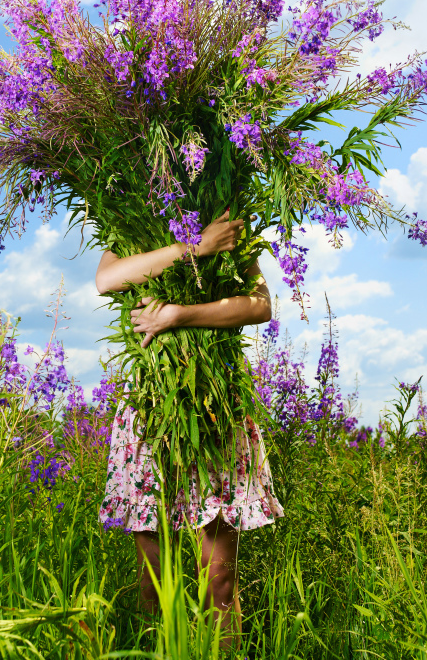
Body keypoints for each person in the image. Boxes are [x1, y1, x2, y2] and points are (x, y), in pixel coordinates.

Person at [95, 209, 285, 649]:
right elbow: (107, 280)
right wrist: (195, 249)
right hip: (149, 407)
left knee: (218, 582)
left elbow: (260, 306)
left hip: (214, 405)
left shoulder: (226, 209)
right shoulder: (129, 215)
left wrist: (178, 315)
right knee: (153, 584)